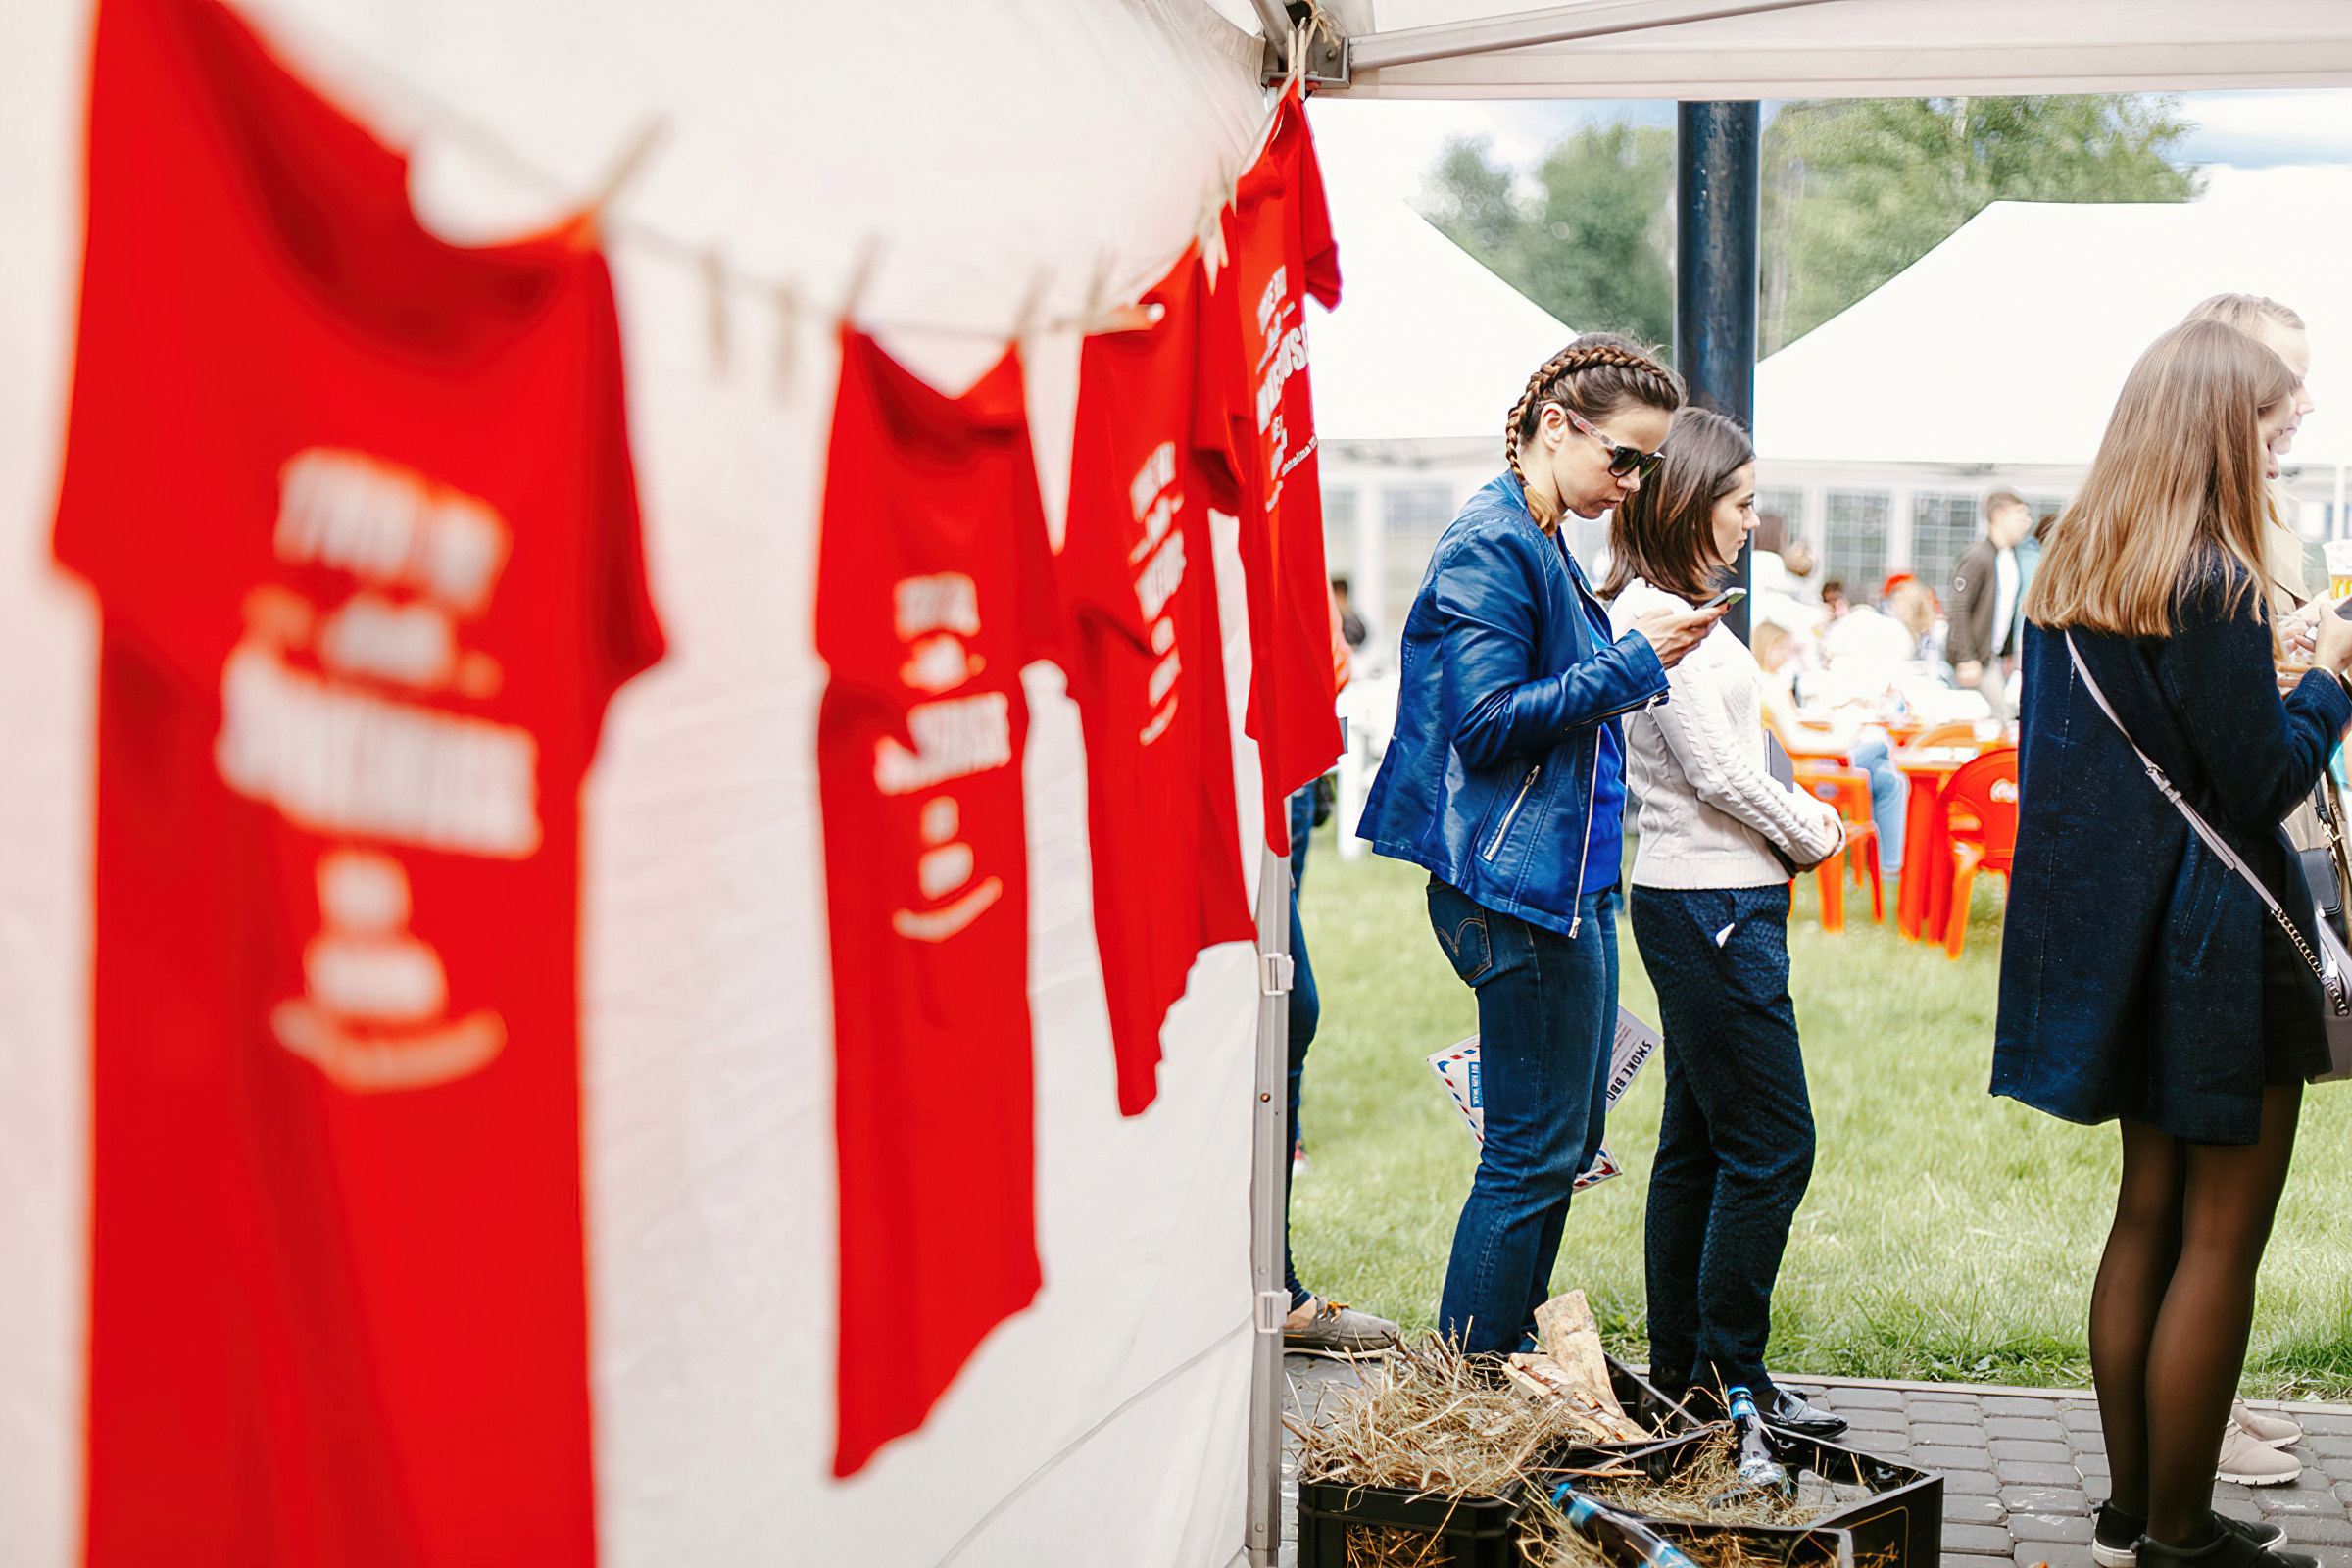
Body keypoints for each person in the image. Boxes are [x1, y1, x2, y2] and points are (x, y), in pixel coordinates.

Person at [1993, 318, 2352, 1568]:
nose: (2282, 447)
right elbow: (2257, 782)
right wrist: (2331, 682)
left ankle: (2130, 1510)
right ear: (2215, 430)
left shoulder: (2080, 561)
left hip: (2127, 931)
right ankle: (2183, 1534)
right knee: (2220, 1238)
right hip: (2218, 935)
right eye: (2270, 427)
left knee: (2146, 1215)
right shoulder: (2211, 577)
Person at [1358, 332, 1721, 1358]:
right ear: (1554, 427)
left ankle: (1501, 1366)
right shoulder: (1494, 539)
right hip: (1514, 891)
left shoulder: (1540, 534)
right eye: (1627, 459)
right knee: (1530, 1153)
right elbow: (1485, 722)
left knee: (1563, 1145)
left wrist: (1637, 653)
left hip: (1563, 882)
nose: (1637, 482)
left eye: (1648, 465)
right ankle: (1469, 1390)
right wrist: (1632, 663)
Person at [1600, 408, 1850, 1439]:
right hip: (1708, 901)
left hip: (1708, 897)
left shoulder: (1680, 607)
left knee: (1699, 1146)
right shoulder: (1656, 617)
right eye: (1741, 501)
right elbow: (1713, 770)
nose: (1754, 519)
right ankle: (1733, 1379)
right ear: (1690, 501)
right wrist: (1818, 829)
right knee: (1775, 1143)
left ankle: (1692, 1375)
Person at [1752, 621, 1908, 900]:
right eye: (1784, 649)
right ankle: (1892, 870)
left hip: (1800, 763)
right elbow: (1797, 742)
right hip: (1804, 769)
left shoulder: (1767, 684)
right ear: (1770, 648)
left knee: (1889, 778)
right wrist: (1846, 736)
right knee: (1880, 749)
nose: (1788, 656)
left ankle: (1890, 871)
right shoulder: (1770, 687)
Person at [1948, 490, 2033, 731]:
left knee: (1999, 719)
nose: (2026, 522)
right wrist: (1966, 658)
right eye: (2019, 514)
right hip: (1976, 661)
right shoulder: (1979, 557)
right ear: (1998, 516)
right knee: (1998, 718)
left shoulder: (2009, 558)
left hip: (1992, 659)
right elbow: (1958, 607)